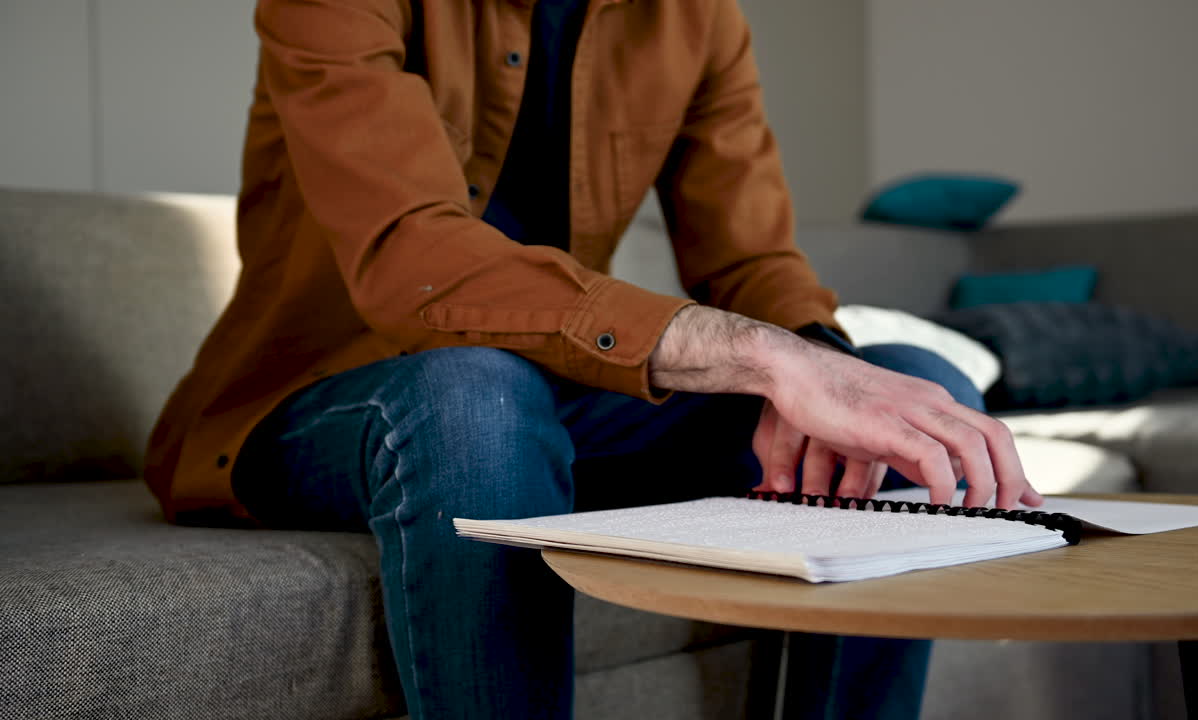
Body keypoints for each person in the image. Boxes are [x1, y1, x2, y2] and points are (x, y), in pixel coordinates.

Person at [145, 0, 1041, 718]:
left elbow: (748, 260)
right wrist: (760, 357)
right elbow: (407, 255)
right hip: (315, 404)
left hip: (553, 400)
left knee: (923, 399)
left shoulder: (699, 18)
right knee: (473, 394)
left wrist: (819, 363)